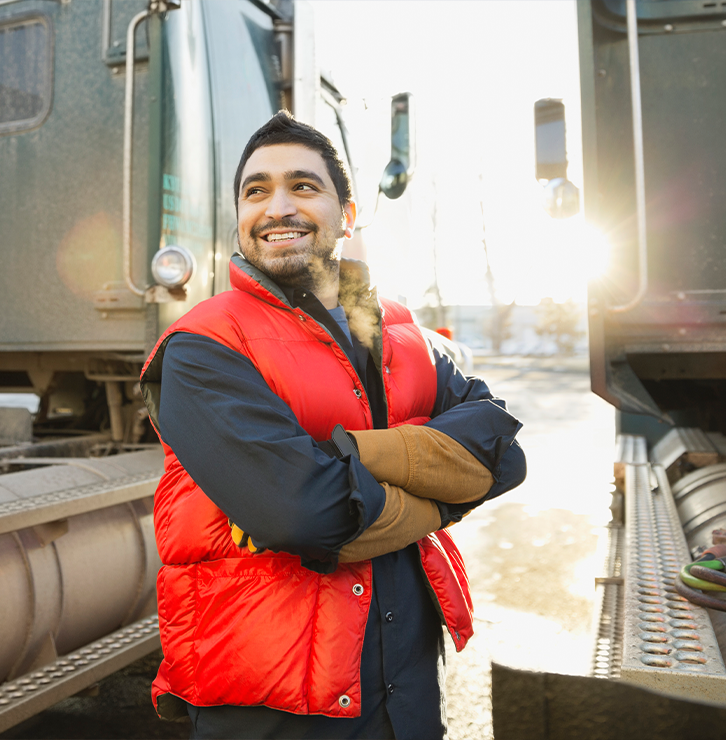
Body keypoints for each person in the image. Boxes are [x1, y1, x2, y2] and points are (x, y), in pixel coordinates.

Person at [139, 111, 527, 740]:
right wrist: (444, 490)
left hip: (404, 683)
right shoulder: (204, 345)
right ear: (239, 220)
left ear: (347, 215)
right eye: (256, 191)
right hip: (274, 700)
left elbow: (504, 456)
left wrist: (347, 456)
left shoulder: (403, 334)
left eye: (304, 186)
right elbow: (304, 515)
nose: (277, 206)